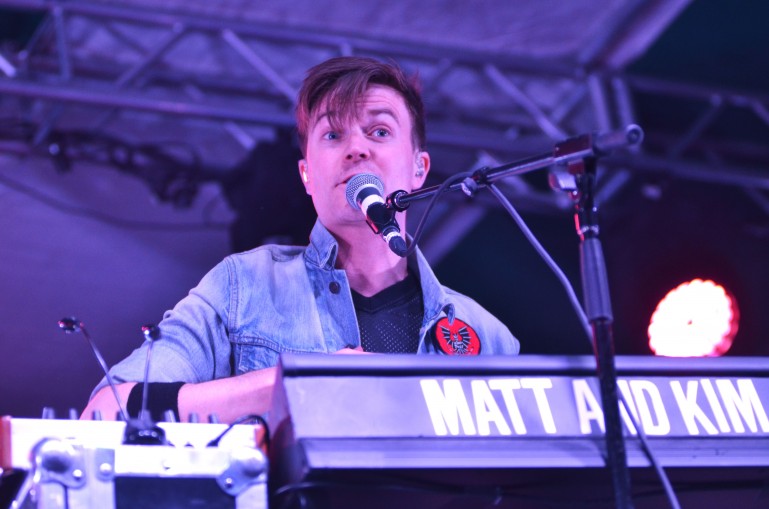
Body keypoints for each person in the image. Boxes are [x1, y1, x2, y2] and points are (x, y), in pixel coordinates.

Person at [82, 56, 519, 423]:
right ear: (307, 175)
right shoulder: (242, 286)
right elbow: (106, 411)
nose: (356, 148)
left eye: (380, 131)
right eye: (333, 134)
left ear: (420, 169)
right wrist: (292, 382)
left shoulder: (487, 335)